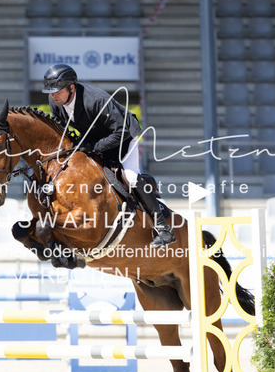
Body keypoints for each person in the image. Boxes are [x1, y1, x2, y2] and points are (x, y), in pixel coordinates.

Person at [41, 63, 175, 247]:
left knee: (130, 177)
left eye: (57, 91)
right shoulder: (56, 102)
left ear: (71, 87)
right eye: (50, 92)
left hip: (123, 138)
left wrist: (93, 147)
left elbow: (121, 132)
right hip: (94, 138)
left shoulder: (96, 100)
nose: (53, 95)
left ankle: (163, 228)